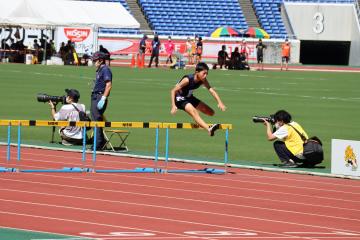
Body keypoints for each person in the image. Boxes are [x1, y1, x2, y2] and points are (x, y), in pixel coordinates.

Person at [170, 62, 226, 137]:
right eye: (204, 73)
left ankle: (198, 120)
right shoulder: (187, 80)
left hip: (189, 97)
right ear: (197, 72)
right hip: (179, 98)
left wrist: (220, 102)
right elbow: (173, 91)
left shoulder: (203, 80)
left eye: (207, 73)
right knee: (194, 112)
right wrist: (173, 106)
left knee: (211, 112)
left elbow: (211, 90)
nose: (205, 75)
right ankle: (209, 129)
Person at [90, 51, 113, 150]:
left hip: (99, 97)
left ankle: (98, 144)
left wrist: (103, 98)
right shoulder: (100, 70)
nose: (93, 62)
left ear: (100, 60)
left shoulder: (105, 70)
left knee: (97, 121)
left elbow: (109, 85)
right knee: (96, 120)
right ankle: (101, 141)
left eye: (95, 60)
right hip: (96, 96)